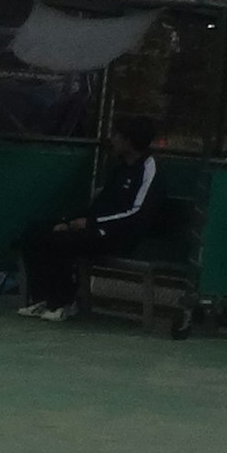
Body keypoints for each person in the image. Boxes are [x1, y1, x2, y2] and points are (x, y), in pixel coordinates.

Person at [20, 115, 164, 321]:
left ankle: (65, 302)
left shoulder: (150, 169)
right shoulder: (120, 169)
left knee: (62, 242)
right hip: (96, 231)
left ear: (130, 141)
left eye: (116, 135)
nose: (111, 140)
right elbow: (98, 206)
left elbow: (137, 213)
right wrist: (68, 221)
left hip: (120, 238)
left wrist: (93, 223)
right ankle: (43, 299)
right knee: (35, 233)